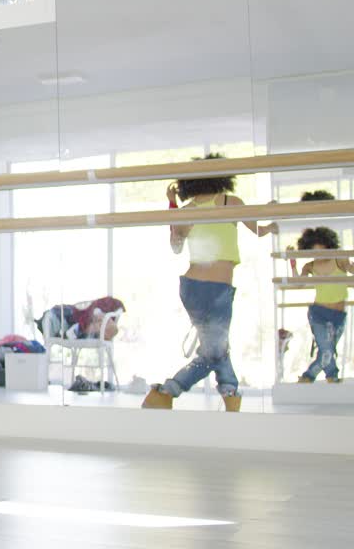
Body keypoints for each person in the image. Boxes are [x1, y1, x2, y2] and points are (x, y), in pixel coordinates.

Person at [142, 155, 277, 411]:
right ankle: (168, 392)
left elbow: (175, 246)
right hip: (212, 290)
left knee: (215, 348)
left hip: (196, 288)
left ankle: (229, 393)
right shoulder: (227, 203)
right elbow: (258, 230)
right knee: (214, 350)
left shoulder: (195, 209)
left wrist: (175, 210)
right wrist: (272, 224)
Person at [296, 227, 350, 383]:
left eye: (321, 251)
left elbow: (351, 269)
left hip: (338, 315)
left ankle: (324, 376)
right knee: (327, 350)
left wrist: (349, 261)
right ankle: (322, 376)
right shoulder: (309, 266)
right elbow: (300, 284)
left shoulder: (339, 259)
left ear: (328, 246)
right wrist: (292, 263)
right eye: (314, 252)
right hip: (318, 313)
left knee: (328, 350)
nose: (318, 256)